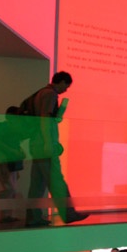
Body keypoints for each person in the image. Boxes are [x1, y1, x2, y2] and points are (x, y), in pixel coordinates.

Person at [23, 71, 89, 226]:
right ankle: (68, 213)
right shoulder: (50, 94)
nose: (66, 90)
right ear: (62, 82)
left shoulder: (40, 93)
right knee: (56, 180)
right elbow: (45, 119)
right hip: (45, 145)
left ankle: (33, 218)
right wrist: (48, 143)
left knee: (37, 185)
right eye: (66, 86)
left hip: (36, 144)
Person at [0, 106, 25, 223]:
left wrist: (18, 152)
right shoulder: (1, 127)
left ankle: (6, 216)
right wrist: (13, 151)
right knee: (10, 189)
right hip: (3, 161)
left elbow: (15, 145)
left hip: (11, 162)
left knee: (12, 189)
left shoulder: (14, 129)